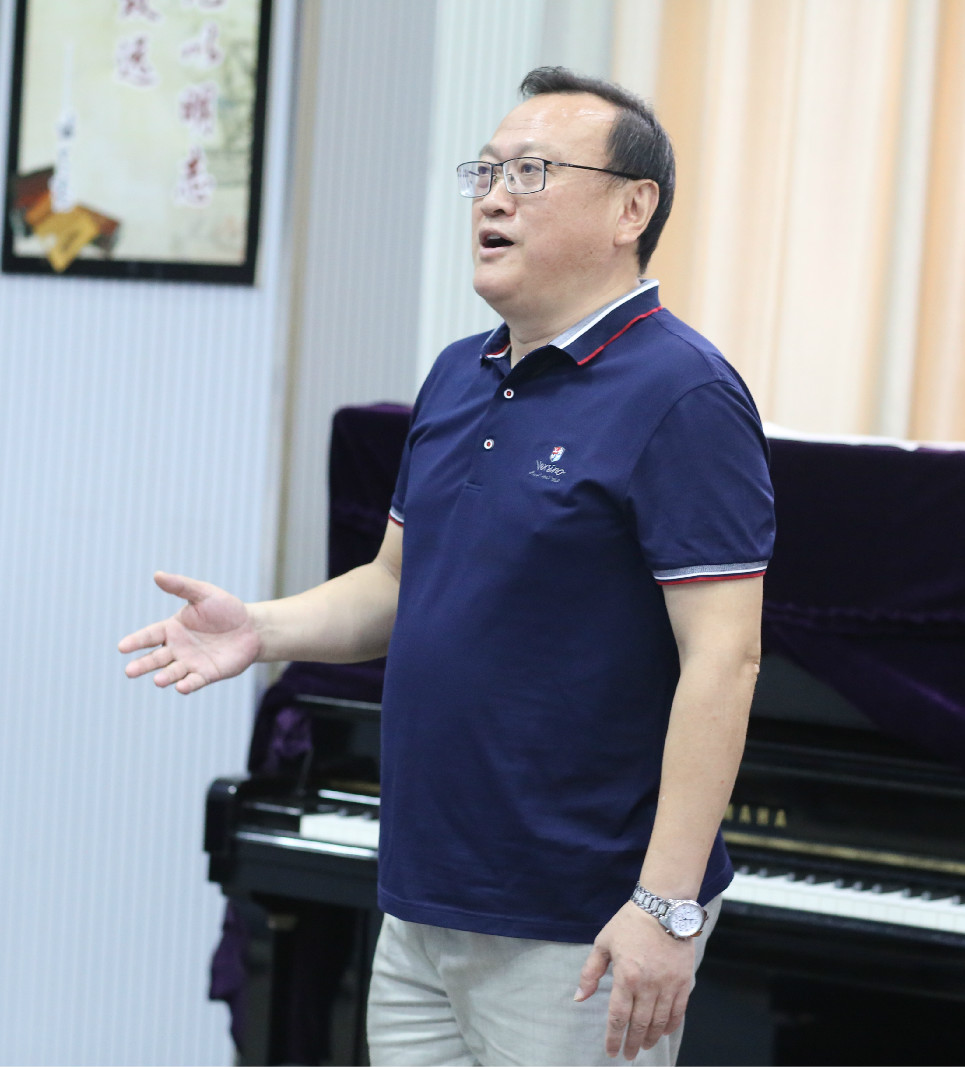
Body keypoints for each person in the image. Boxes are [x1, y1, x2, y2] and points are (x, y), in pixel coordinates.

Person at [119, 66, 775, 1066]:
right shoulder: (458, 374)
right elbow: (394, 582)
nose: (494, 197)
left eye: (533, 172)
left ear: (631, 209)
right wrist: (262, 626)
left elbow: (724, 659)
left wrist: (665, 904)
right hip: (424, 899)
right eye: (486, 172)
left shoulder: (684, 393)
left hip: (579, 921)